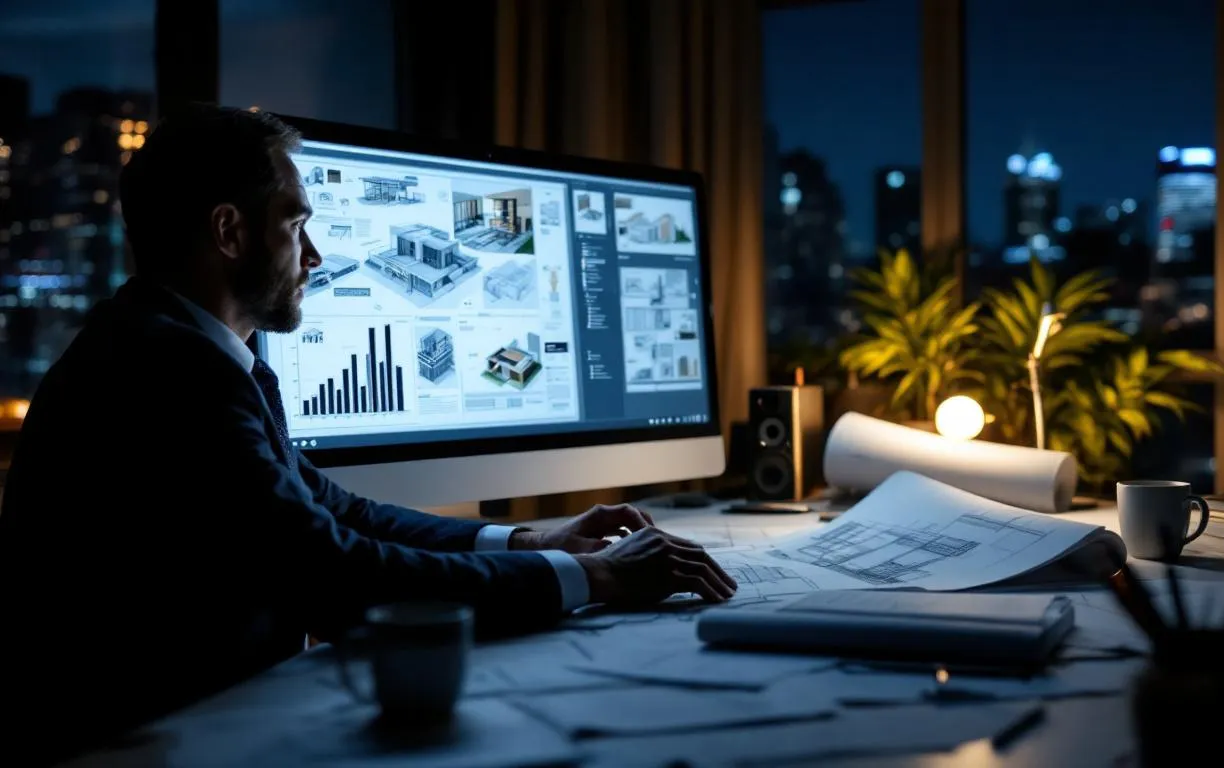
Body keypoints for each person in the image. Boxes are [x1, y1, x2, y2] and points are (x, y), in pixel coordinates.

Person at [0, 105, 736, 762]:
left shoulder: (181, 346)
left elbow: (332, 508)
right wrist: (596, 576)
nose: (314, 257)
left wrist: (526, 542)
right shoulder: (164, 368)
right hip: (161, 741)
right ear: (229, 231)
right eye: (295, 224)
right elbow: (329, 572)